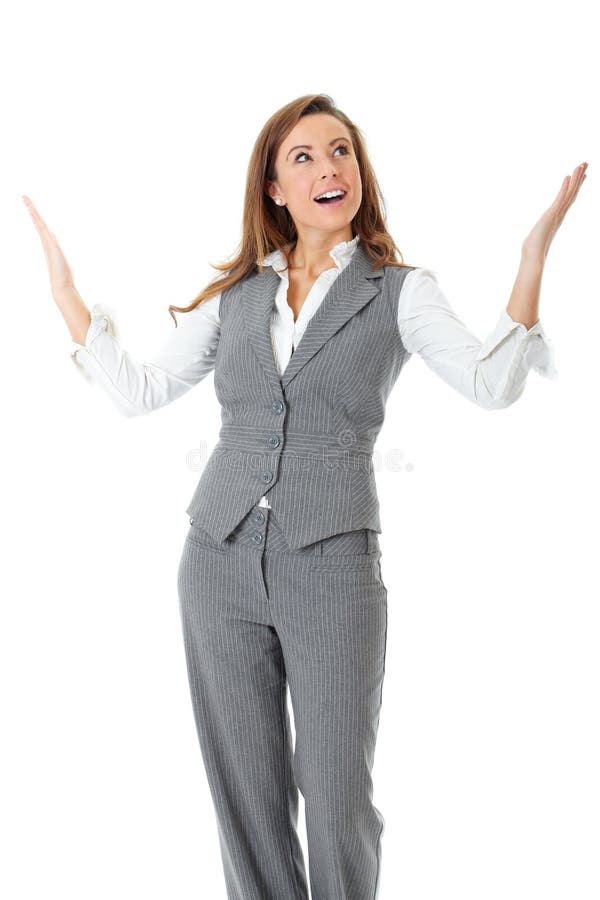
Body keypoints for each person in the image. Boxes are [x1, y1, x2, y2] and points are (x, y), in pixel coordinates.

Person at [23, 93, 586, 900]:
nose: (330, 168)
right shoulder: (238, 295)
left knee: (337, 797)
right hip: (215, 561)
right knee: (244, 801)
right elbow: (141, 391)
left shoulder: (401, 291)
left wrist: (533, 256)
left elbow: (494, 384)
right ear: (274, 189)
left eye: (342, 153)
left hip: (334, 566)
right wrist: (67, 295)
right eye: (305, 157)